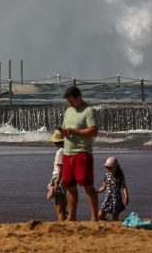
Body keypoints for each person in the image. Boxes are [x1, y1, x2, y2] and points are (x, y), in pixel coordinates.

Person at [58, 85, 98, 221]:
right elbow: (65, 128)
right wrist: (62, 133)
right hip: (67, 151)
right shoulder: (68, 111)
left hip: (82, 151)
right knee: (69, 185)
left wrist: (74, 131)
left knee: (87, 184)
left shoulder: (88, 110)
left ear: (79, 97)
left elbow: (93, 131)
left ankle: (94, 217)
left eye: (71, 101)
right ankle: (72, 216)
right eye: (68, 101)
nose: (70, 103)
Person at [96, 156, 129, 221]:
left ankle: (114, 227)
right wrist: (96, 191)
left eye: (110, 167)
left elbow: (124, 187)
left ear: (115, 167)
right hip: (107, 199)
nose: (108, 169)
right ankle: (109, 224)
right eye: (107, 167)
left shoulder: (120, 176)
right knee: (100, 215)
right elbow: (103, 187)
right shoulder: (107, 175)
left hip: (116, 200)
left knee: (115, 219)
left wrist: (126, 196)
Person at [45, 129, 67, 221]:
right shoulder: (67, 150)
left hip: (58, 178)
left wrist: (57, 183)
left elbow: (60, 168)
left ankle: (61, 225)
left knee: (59, 209)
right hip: (65, 178)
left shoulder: (60, 152)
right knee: (63, 207)